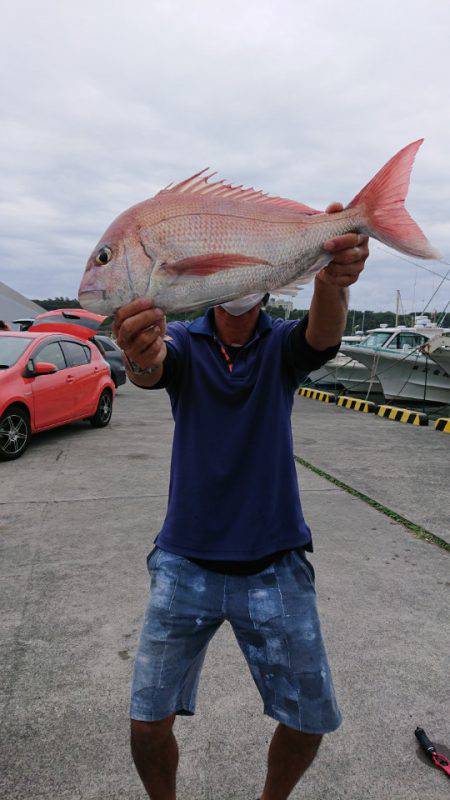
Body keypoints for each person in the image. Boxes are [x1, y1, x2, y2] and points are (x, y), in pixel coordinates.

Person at [113, 202, 369, 800]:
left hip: (275, 561)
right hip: (184, 561)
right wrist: (137, 354)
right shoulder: (183, 340)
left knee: (309, 719)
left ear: (264, 282)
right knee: (146, 720)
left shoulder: (282, 346)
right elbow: (152, 367)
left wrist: (332, 283)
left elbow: (321, 337)